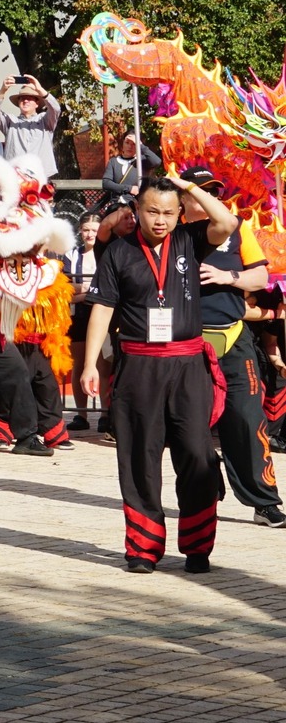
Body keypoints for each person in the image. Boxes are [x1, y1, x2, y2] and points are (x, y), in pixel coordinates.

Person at [82, 172, 238, 573]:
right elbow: (102, 309)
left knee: (198, 453)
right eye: (153, 211)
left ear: (179, 213)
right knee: (139, 455)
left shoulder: (189, 239)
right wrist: (89, 365)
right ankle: (143, 548)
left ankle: (198, 546)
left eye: (169, 213)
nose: (161, 220)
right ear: (138, 209)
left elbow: (227, 223)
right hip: (138, 366)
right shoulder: (119, 253)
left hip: (188, 366)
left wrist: (189, 188)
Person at [180, 168, 285, 528]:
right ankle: (208, 486)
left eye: (213, 191)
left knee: (247, 420)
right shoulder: (173, 235)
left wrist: (230, 277)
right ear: (183, 200)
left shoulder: (237, 228)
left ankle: (264, 502)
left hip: (234, 339)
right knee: (193, 425)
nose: (209, 198)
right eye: (200, 192)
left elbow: (261, 276)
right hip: (188, 342)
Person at [67, 212, 102, 429]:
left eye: (94, 230)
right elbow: (66, 288)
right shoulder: (72, 255)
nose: (90, 234)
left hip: (101, 314)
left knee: (102, 365)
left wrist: (83, 291)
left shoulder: (107, 253)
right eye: (86, 230)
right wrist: (86, 292)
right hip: (78, 315)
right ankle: (81, 415)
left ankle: (105, 414)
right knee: (79, 364)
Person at [0, 75, 61, 180]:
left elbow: (55, 109)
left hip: (41, 177)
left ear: (37, 103)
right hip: (15, 178)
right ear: (18, 102)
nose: (25, 101)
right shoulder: (10, 121)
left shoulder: (44, 120)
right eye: (22, 98)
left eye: (29, 98)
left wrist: (39, 89)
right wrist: (3, 90)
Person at [102, 131, 159, 204]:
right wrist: (129, 188)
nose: (130, 146)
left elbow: (157, 161)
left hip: (136, 205)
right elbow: (106, 183)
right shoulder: (113, 162)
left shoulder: (142, 161)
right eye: (127, 142)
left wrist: (141, 145)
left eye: (134, 144)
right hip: (116, 205)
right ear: (123, 143)